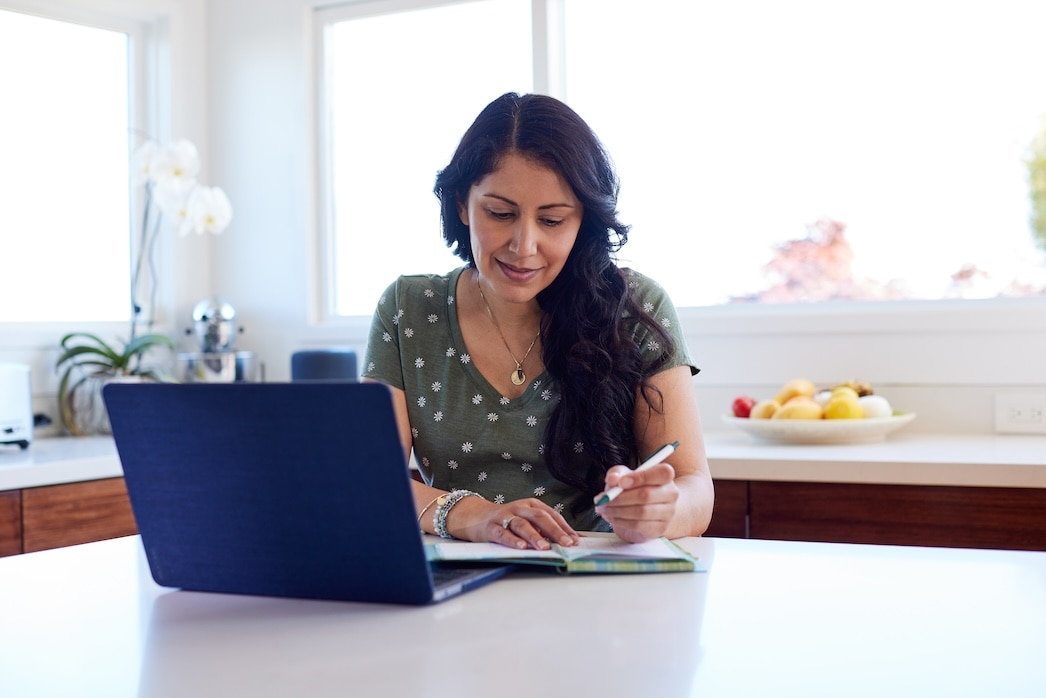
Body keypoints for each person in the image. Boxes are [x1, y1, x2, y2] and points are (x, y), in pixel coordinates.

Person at [363, 92, 713, 549]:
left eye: (551, 220)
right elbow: (372, 483)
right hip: (461, 588)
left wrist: (658, 512)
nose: (524, 245)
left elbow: (694, 490)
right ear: (462, 204)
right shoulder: (408, 307)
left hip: (603, 589)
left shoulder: (635, 307)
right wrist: (479, 518)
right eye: (501, 213)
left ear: (582, 221)